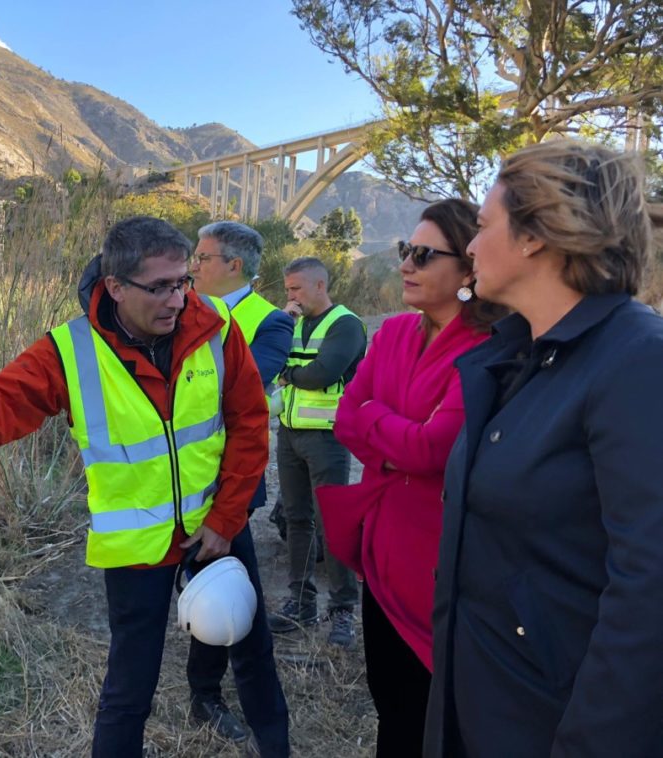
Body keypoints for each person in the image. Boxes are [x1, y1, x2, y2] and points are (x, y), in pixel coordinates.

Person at [0, 216, 289, 757]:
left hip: (218, 530)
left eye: (183, 281)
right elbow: (4, 394)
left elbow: (250, 424)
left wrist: (226, 520)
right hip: (137, 550)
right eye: (159, 287)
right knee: (128, 689)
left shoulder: (216, 329)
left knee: (253, 653)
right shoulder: (71, 350)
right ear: (115, 286)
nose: (177, 299)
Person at [424, 140, 663, 757]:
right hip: (485, 705)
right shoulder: (517, 358)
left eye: (481, 227)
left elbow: (649, 592)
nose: (471, 248)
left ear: (534, 236)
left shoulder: (638, 360)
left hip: (552, 725)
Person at [320, 200, 503, 756]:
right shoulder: (396, 331)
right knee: (389, 700)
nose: (406, 265)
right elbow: (345, 420)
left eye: (423, 255)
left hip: (439, 558)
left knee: (431, 708)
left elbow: (432, 449)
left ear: (469, 268)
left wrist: (378, 421)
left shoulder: (490, 349)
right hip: (383, 549)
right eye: (405, 251)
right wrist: (395, 431)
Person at [185, 221, 292, 744]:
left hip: (229, 488)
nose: (193, 266)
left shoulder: (269, 323)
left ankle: (206, 692)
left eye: (203, 257)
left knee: (225, 594)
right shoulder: (176, 305)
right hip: (167, 487)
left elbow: (246, 385)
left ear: (234, 265)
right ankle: (201, 690)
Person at [268, 257, 366, 647]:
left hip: (327, 437)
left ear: (320, 286)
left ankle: (342, 610)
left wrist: (287, 373)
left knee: (332, 522)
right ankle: (301, 602)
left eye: (295, 288)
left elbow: (322, 373)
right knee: (296, 519)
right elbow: (269, 359)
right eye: (287, 288)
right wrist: (282, 325)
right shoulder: (290, 322)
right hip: (289, 434)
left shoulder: (345, 324)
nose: (289, 295)